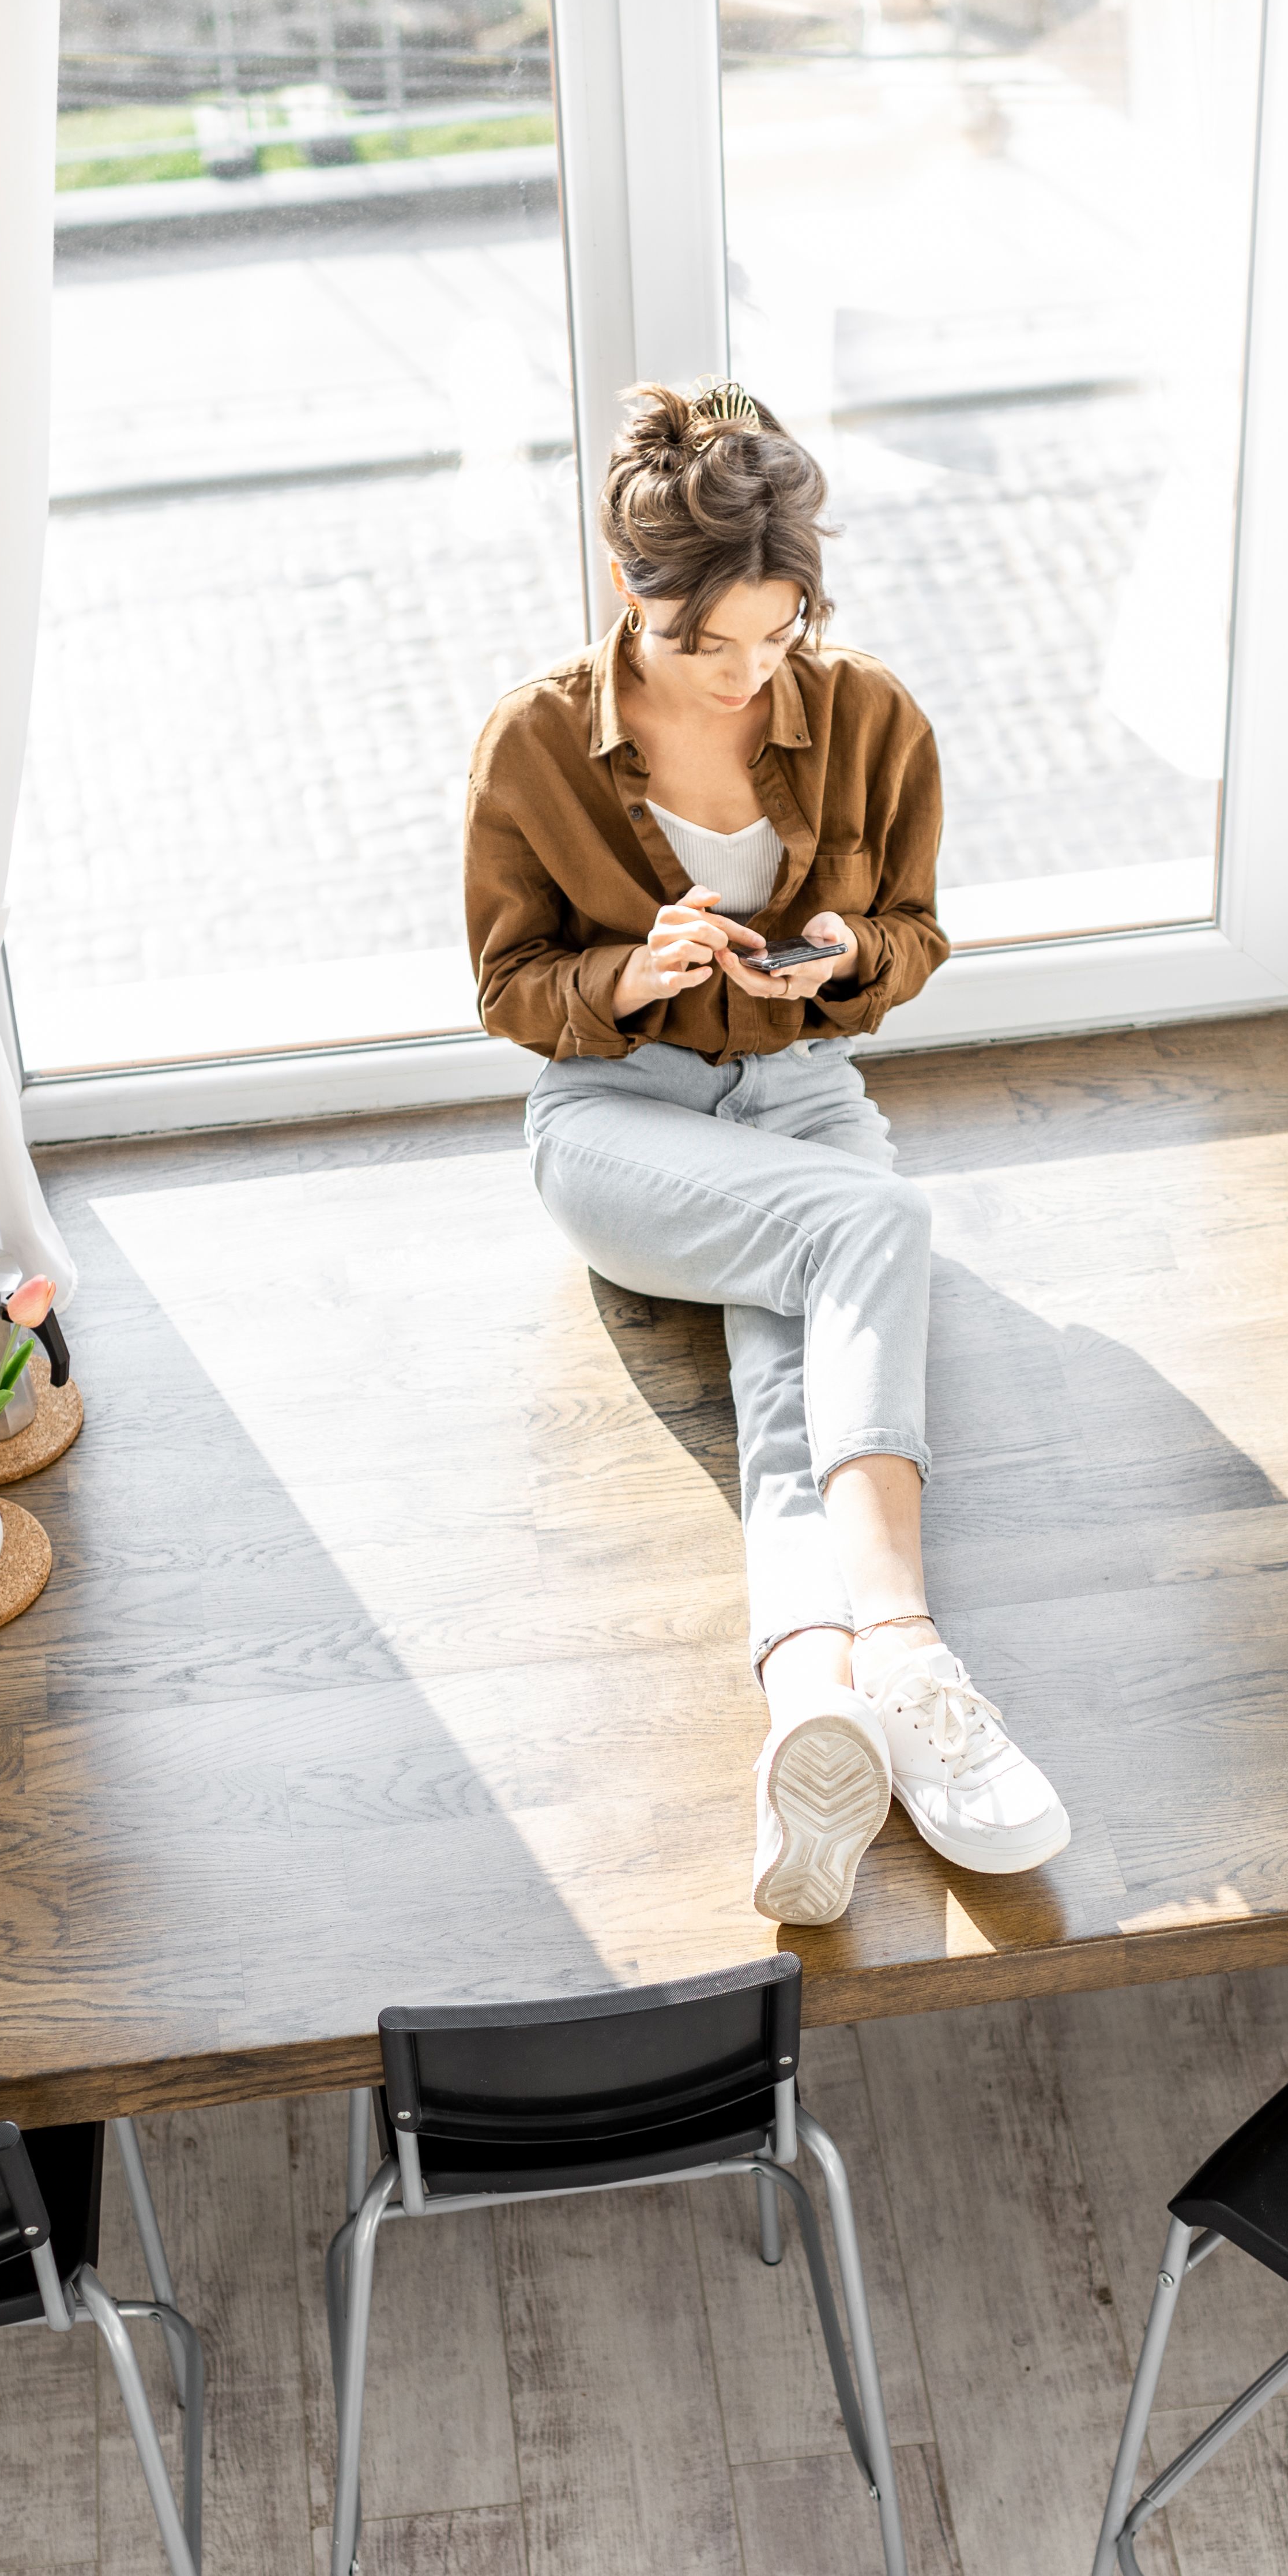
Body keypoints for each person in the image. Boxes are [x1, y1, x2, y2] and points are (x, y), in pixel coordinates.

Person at [462, 378, 1069, 1927]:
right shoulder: (535, 742)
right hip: (617, 1118)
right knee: (871, 1235)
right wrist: (628, 978)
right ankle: (915, 1655)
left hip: (797, 1092)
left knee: (793, 1356)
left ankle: (819, 1699)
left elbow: (916, 932)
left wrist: (835, 953)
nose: (744, 677)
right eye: (701, 644)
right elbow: (507, 991)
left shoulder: (870, 715)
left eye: (776, 639)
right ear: (629, 592)